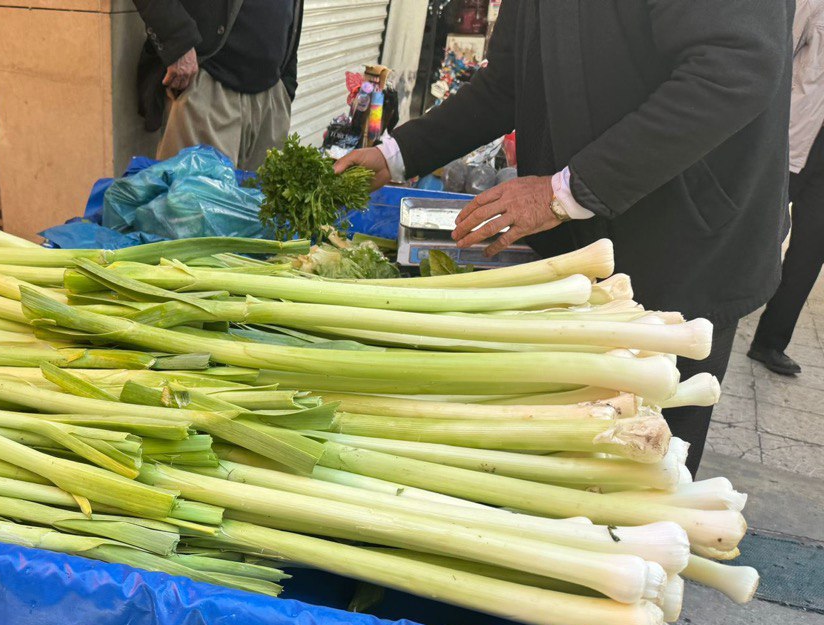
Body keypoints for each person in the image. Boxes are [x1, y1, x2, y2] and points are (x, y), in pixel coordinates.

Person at [335, 0, 792, 472]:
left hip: (686, 240)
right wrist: (397, 154)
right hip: (585, 239)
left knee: (647, 461)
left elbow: (735, 69)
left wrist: (564, 191)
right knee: (572, 451)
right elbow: (509, 81)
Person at [133, 0, 303, 170]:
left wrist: (286, 84)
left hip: (271, 98)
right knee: (197, 195)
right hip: (209, 86)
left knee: (261, 195)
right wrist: (177, 42)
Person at [749, 0, 824, 376]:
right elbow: (780, 53)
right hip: (795, 138)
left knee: (813, 247)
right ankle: (716, 305)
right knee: (761, 228)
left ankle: (770, 342)